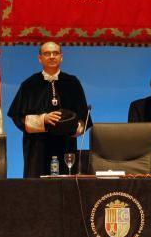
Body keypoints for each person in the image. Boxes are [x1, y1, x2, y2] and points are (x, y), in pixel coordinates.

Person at [7, 42, 91, 177]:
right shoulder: (29, 84)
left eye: (55, 53)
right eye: (47, 53)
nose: (52, 57)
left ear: (61, 57)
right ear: (40, 58)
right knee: (37, 189)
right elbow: (17, 116)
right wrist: (43, 119)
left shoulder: (72, 83)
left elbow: (83, 116)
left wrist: (77, 128)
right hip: (37, 147)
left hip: (66, 145)